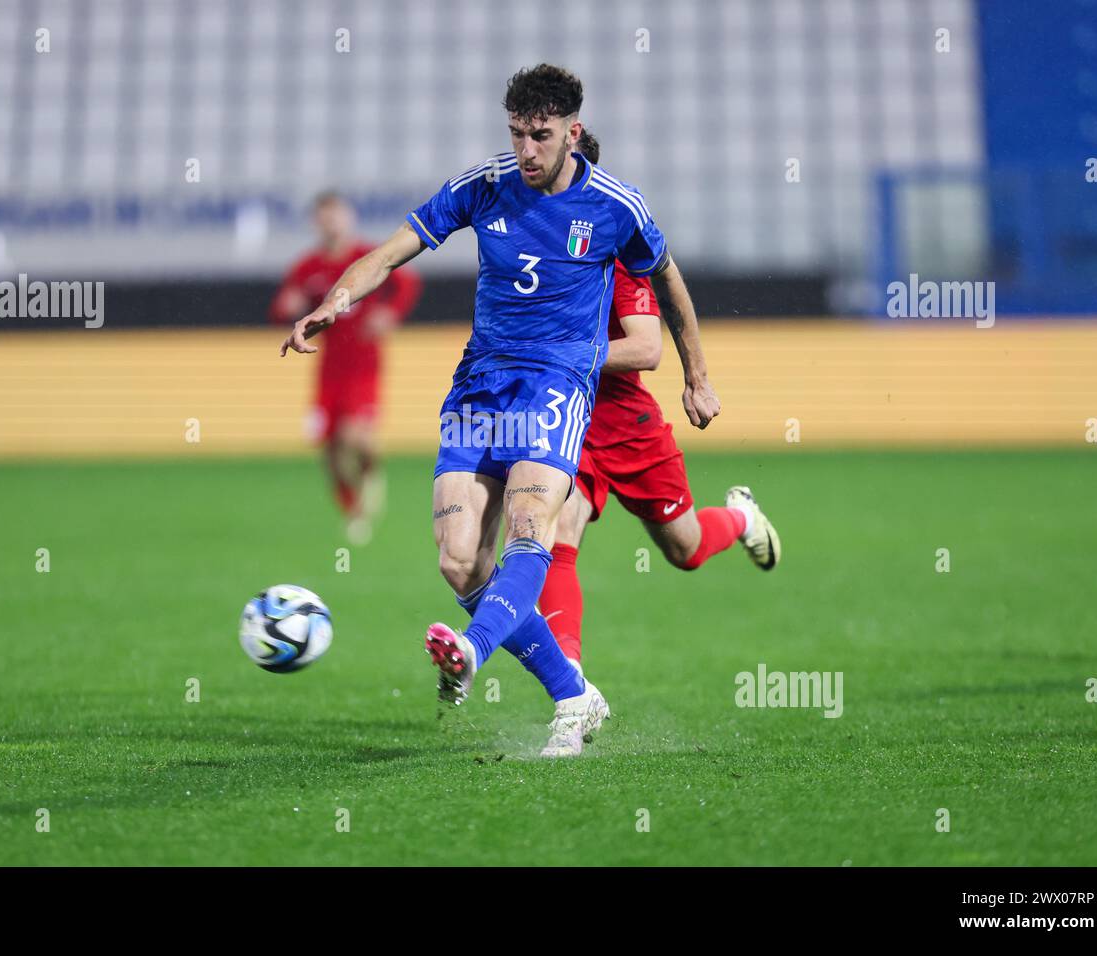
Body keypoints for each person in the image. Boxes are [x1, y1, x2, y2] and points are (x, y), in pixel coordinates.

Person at [282, 65, 720, 758]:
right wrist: (335, 301)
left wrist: (697, 374)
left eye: (540, 136)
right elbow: (391, 251)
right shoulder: (483, 185)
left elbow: (668, 280)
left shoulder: (616, 206)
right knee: (459, 563)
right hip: (478, 387)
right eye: (516, 134)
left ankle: (473, 649)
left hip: (555, 388)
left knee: (529, 527)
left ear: (572, 133)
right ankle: (573, 695)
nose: (526, 151)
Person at [537, 129, 781, 677]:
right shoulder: (531, 247)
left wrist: (696, 376)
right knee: (556, 532)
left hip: (625, 423)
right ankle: (570, 682)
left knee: (685, 550)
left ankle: (740, 518)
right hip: (563, 422)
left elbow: (647, 349)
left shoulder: (617, 256)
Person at [269, 191, 421, 545]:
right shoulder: (309, 267)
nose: (330, 222)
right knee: (330, 449)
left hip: (364, 362)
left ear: (348, 217)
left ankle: (370, 477)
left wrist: (391, 313)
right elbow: (282, 307)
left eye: (336, 215)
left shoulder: (364, 259)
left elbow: (407, 283)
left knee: (357, 438)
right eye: (324, 216)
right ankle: (354, 510)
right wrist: (287, 307)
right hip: (328, 367)